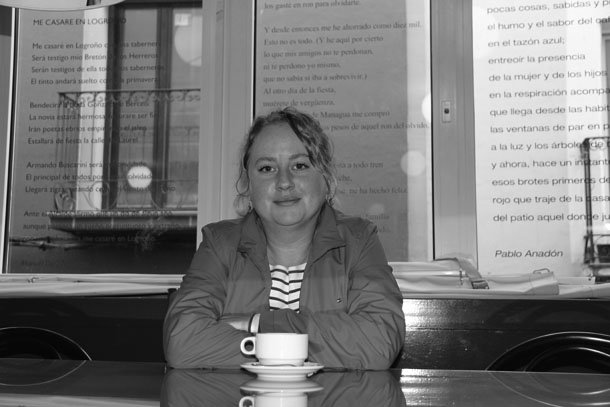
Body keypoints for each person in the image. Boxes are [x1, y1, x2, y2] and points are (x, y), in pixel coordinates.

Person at [163, 107, 405, 369]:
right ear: (248, 185)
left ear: (325, 178)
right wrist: (311, 341)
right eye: (267, 168)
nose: (284, 182)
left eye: (299, 166)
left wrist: (259, 323)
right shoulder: (219, 243)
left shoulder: (358, 240)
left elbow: (378, 341)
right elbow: (182, 341)